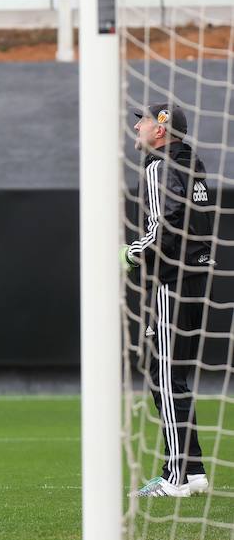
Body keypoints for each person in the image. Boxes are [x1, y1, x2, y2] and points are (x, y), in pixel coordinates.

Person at [122, 104, 213, 497]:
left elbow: (164, 230)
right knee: (171, 377)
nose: (137, 126)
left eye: (142, 121)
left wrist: (129, 253)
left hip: (173, 283)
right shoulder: (193, 162)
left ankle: (175, 477)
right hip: (197, 280)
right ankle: (192, 471)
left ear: (161, 131)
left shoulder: (159, 168)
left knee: (165, 377)